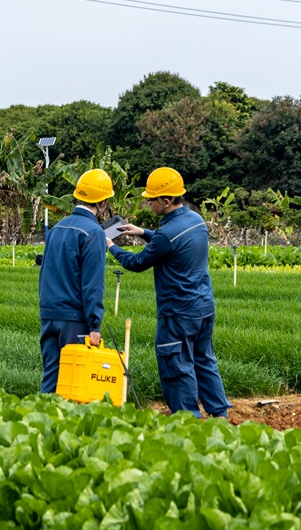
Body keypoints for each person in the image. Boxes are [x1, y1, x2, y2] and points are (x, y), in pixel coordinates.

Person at [106, 167, 231, 418]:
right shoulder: (196, 220)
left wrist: (110, 246)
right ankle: (220, 416)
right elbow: (170, 243)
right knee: (204, 361)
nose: (148, 204)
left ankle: (188, 423)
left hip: (178, 313)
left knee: (177, 367)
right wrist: (142, 233)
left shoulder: (167, 234)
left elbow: (137, 263)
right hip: (204, 308)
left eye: (150, 200)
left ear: (165, 201)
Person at [37, 168, 112, 393]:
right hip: (74, 319)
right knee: (74, 383)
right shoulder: (93, 232)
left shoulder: (57, 228)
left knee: (51, 379)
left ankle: (41, 424)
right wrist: (94, 324)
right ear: (102, 203)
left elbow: (45, 273)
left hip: (49, 314)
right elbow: (92, 284)